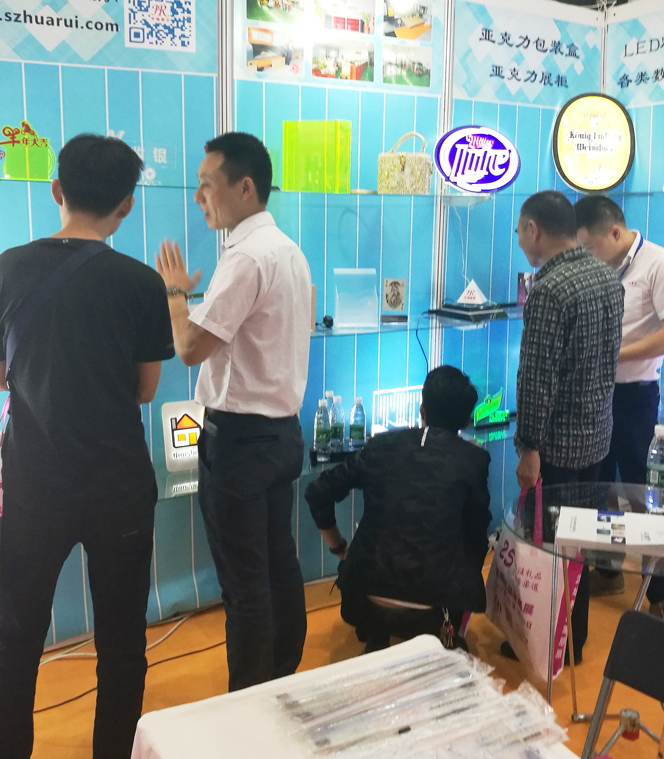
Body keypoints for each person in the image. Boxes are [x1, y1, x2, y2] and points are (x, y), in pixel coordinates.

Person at [0, 134, 174, 759]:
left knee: (17, 634)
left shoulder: (8, 268)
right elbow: (146, 390)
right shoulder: (141, 284)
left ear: (56, 190)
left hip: (37, 485)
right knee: (122, 643)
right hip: (119, 485)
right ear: (127, 204)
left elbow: (0, 376)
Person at [155, 132, 311, 691]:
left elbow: (190, 347)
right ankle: (282, 676)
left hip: (241, 443)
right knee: (278, 563)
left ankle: (248, 699)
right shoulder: (287, 250)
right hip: (281, 435)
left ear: (245, 187)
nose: (199, 197)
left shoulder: (244, 257)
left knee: (245, 584)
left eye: (207, 185)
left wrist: (175, 295)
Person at [304, 366, 491, 653]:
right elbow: (477, 540)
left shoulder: (380, 446)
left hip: (365, 594)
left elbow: (317, 492)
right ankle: (444, 635)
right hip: (436, 603)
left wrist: (340, 549)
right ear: (467, 419)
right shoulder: (474, 460)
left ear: (422, 409)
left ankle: (379, 631)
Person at [511, 190, 624, 663]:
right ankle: (573, 638)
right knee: (581, 545)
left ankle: (545, 643)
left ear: (534, 229)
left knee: (547, 547)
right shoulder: (607, 277)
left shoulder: (549, 290)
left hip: (554, 446)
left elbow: (537, 378)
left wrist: (529, 447)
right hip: (596, 436)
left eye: (519, 231)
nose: (520, 241)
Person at [574, 195, 664, 626]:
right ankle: (608, 571)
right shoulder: (601, 270)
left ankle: (662, 595)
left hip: (636, 398)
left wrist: (611, 355)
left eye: (589, 247)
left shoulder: (662, 265)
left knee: (647, 496)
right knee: (601, 488)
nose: (586, 256)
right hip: (597, 394)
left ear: (615, 232)